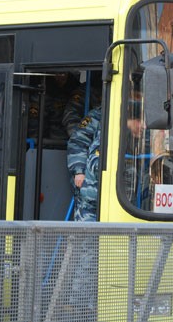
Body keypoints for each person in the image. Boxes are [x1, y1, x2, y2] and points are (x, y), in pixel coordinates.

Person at [65, 106, 101, 316]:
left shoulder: (145, 114)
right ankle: (78, 304)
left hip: (121, 196)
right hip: (90, 195)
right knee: (86, 249)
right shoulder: (100, 115)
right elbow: (78, 141)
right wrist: (78, 171)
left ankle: (94, 302)